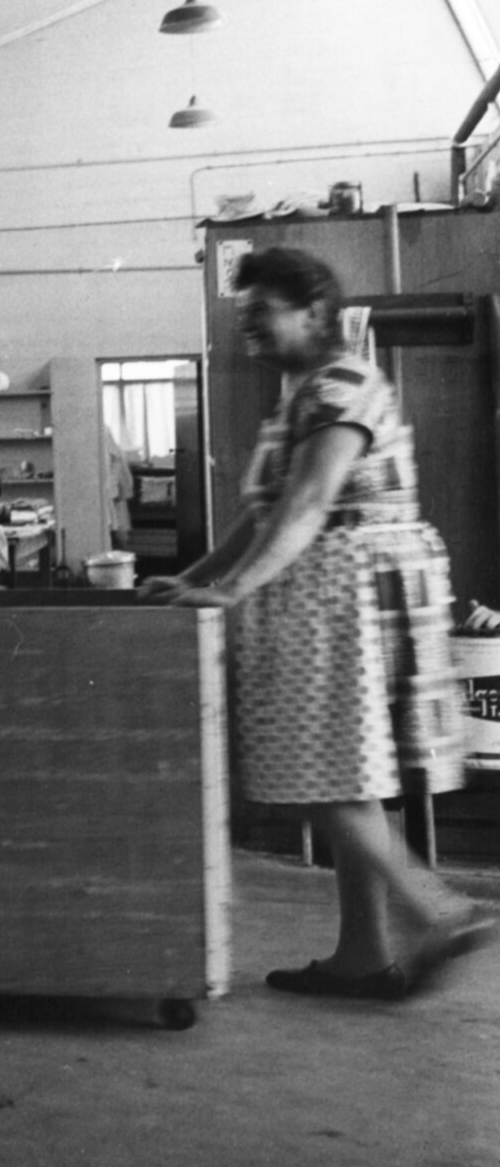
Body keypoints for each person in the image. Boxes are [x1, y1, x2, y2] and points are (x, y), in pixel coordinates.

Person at [141, 246, 491, 998]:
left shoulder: (340, 385)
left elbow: (308, 506)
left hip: (345, 593)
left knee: (328, 776)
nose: (250, 329)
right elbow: (262, 511)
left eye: (261, 314)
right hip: (326, 595)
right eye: (244, 318)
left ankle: (436, 911)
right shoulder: (304, 392)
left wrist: (230, 594)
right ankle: (363, 955)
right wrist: (196, 577)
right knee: (343, 773)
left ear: (315, 313)